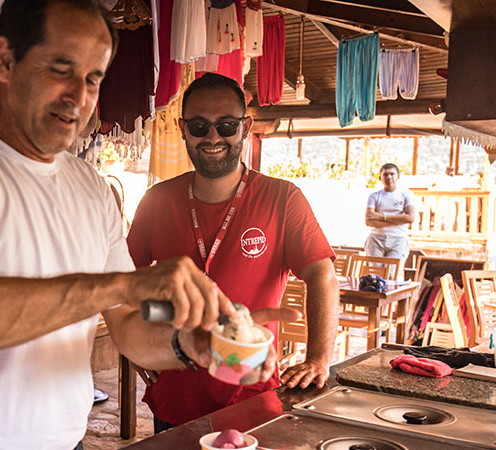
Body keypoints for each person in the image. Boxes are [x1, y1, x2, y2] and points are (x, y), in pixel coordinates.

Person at [0, 2, 293, 449]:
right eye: (62, 69)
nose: (79, 97)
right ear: (4, 60)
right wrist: (118, 286)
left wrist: (196, 344)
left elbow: (129, 322)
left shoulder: (92, 189)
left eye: (93, 79)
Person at [125, 73, 340, 432]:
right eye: (199, 125)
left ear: (245, 127)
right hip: (176, 387)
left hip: (252, 393)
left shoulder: (283, 199)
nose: (212, 137)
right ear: (182, 128)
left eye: (226, 125)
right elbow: (125, 281)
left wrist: (318, 359)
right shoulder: (157, 201)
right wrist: (135, 338)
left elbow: (322, 274)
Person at [364, 163, 416, 268]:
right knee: (375, 274)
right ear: (380, 178)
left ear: (398, 176)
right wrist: (399, 220)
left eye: (392, 174)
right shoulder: (374, 196)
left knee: (393, 274)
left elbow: (410, 218)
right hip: (376, 239)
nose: (389, 177)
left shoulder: (406, 195)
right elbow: (369, 221)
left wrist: (380, 216)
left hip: (398, 239)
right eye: (385, 175)